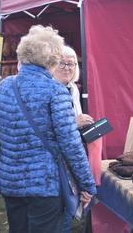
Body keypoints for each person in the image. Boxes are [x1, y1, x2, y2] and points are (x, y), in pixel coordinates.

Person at [0, 25, 96, 233]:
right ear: (52, 60)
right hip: (46, 185)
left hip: (12, 184)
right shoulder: (56, 91)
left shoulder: (3, 87)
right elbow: (70, 144)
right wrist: (87, 184)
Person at [52, 45, 96, 233]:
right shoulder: (51, 90)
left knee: (67, 208)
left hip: (70, 156)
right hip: (55, 162)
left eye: (71, 64)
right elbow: (53, 128)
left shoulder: (72, 89)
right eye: (62, 63)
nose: (67, 68)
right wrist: (75, 122)